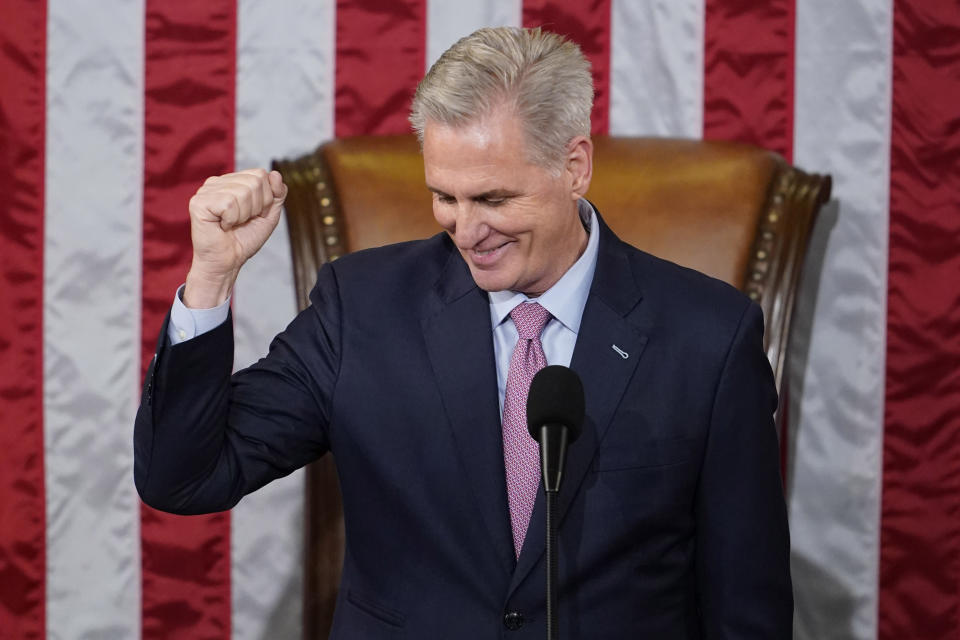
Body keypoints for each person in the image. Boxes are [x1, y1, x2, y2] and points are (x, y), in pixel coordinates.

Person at [135, 27, 791, 638]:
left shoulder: (708, 337)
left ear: (575, 166)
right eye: (445, 196)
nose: (467, 230)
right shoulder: (362, 309)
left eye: (495, 199)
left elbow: (746, 608)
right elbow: (183, 478)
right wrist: (211, 279)